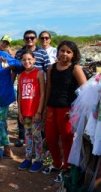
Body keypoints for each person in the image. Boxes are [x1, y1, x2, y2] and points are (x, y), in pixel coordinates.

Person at [42, 40, 86, 183]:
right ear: (58, 51)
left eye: (68, 52)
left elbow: (85, 91)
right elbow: (48, 89)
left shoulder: (75, 69)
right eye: (62, 50)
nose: (65, 54)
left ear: (73, 55)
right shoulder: (51, 68)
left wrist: (76, 110)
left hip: (68, 110)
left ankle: (67, 168)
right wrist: (44, 108)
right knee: (50, 138)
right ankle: (57, 164)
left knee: (67, 139)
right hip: (52, 108)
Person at [14, 30, 51, 147]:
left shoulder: (42, 52)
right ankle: (23, 140)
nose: (29, 40)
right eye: (27, 38)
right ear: (24, 40)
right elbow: (15, 69)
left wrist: (48, 86)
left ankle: (40, 149)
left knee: (37, 125)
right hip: (24, 85)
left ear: (35, 39)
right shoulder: (20, 52)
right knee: (25, 123)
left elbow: (48, 69)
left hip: (39, 89)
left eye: (32, 37)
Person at [17, 50, 45, 173]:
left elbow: (43, 94)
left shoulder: (39, 73)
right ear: (21, 61)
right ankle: (28, 158)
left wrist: (39, 112)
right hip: (25, 112)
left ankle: (38, 160)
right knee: (27, 136)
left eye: (29, 59)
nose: (27, 61)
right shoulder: (21, 75)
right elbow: (19, 95)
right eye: (24, 60)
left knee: (37, 137)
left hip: (35, 113)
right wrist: (19, 112)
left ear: (34, 60)